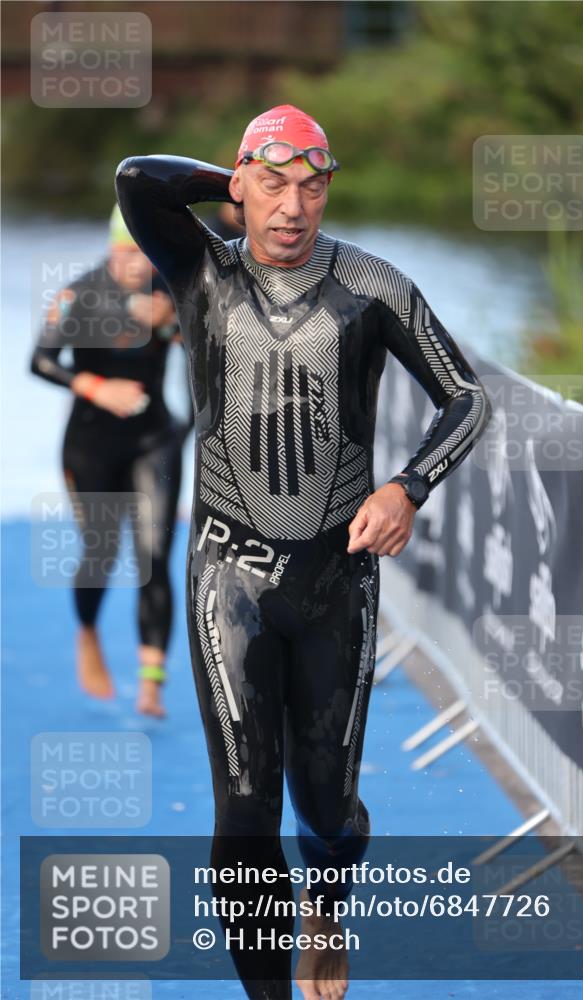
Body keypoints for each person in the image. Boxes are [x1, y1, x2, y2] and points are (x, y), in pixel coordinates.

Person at [115, 104, 491, 999]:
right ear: (240, 186)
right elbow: (138, 178)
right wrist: (242, 179)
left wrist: (407, 487)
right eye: (274, 186)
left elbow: (466, 398)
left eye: (312, 188)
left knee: (327, 813)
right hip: (228, 576)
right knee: (245, 809)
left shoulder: (371, 286)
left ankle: (327, 899)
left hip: (335, 583)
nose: (293, 208)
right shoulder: (201, 269)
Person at [30, 206, 192, 718]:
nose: (135, 265)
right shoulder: (81, 294)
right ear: (110, 248)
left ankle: (151, 685)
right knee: (101, 551)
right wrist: (96, 387)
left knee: (154, 556)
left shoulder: (170, 293)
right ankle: (87, 632)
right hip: (91, 443)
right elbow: (40, 360)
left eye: (144, 255)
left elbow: (213, 348)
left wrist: (172, 325)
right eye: (126, 253)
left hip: (154, 441)